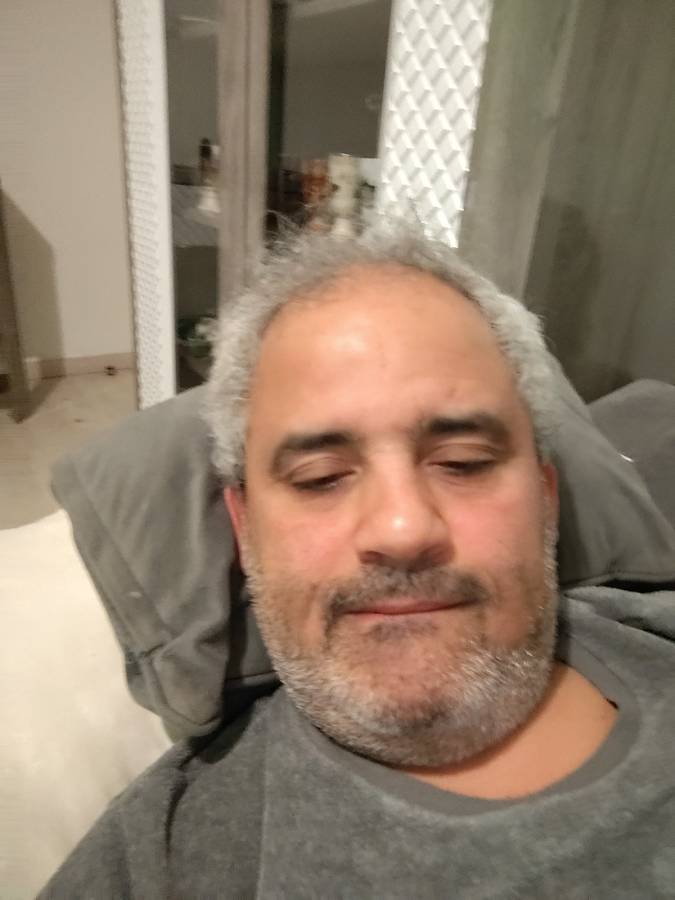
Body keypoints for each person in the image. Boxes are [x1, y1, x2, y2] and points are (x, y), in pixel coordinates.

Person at [40, 226, 675, 898]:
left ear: (545, 502)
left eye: (463, 462)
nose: (403, 529)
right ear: (246, 530)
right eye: (320, 477)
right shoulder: (165, 854)